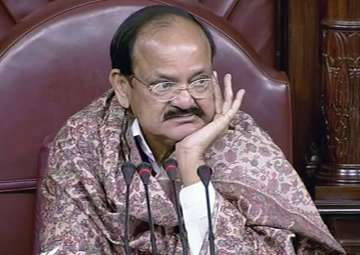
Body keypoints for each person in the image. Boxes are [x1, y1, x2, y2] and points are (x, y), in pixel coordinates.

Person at [39, 4, 345, 255]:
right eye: (164, 85)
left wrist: (191, 164)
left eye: (199, 81)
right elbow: (66, 247)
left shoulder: (245, 148)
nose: (186, 100)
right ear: (122, 87)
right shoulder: (85, 140)